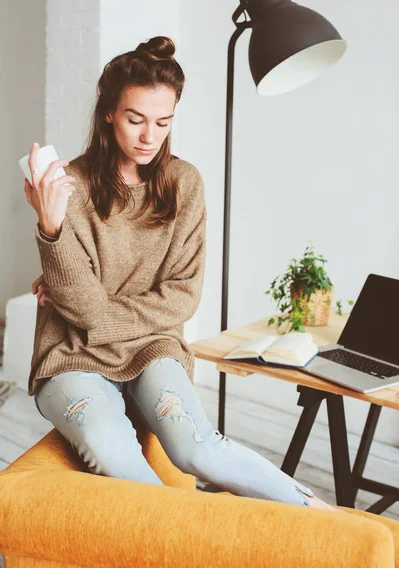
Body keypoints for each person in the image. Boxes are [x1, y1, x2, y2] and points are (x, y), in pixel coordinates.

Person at [24, 35, 344, 513]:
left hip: (153, 347)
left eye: (163, 121)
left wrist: (86, 302)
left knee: (198, 447)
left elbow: (179, 298)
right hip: (72, 357)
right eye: (135, 119)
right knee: (122, 464)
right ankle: (190, 548)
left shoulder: (184, 183)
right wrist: (53, 232)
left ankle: (324, 519)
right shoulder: (65, 186)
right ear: (108, 111)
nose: (149, 136)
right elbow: (82, 306)